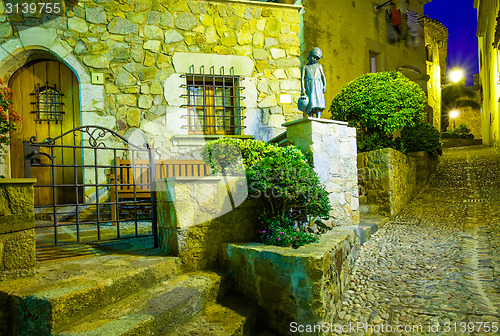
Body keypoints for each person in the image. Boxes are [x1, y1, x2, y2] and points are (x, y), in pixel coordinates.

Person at [300, 47, 327, 118]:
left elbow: (323, 76)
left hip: (318, 86)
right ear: (310, 55)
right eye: (314, 57)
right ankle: (310, 116)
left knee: (318, 101)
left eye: (317, 58)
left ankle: (318, 117)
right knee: (311, 101)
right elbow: (302, 78)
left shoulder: (319, 66)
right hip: (310, 86)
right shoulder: (305, 67)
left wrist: (324, 85)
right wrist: (303, 89)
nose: (315, 60)